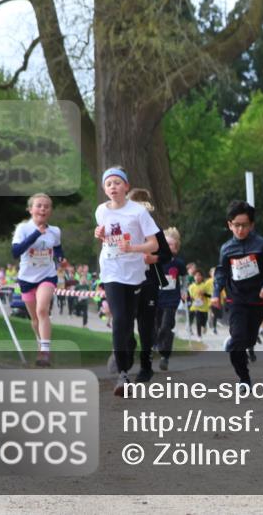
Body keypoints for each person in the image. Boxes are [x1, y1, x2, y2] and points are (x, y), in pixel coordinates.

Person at [94, 167, 161, 396]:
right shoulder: (101, 211)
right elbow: (107, 238)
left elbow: (154, 244)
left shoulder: (138, 212)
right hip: (111, 270)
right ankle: (123, 375)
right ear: (104, 189)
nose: (113, 187)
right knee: (120, 319)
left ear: (126, 186)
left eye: (117, 182)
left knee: (128, 320)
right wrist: (99, 234)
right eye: (108, 184)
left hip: (134, 273)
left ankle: (129, 350)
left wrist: (132, 248)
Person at [214, 200, 263, 388]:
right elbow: (221, 272)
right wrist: (215, 293)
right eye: (236, 225)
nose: (240, 229)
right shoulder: (226, 248)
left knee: (249, 339)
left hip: (257, 301)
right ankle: (244, 379)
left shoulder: (261, 245)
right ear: (230, 225)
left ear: (251, 225)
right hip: (236, 299)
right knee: (238, 340)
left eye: (244, 225)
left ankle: (238, 342)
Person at [12, 193, 69, 367]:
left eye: (46, 206)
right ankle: (40, 343)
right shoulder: (23, 228)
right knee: (35, 319)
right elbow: (15, 252)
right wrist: (36, 233)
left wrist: (61, 258)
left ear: (50, 211)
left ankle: (45, 352)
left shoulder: (55, 231)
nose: (43, 209)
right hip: (26, 278)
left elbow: (57, 248)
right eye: (39, 205)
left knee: (42, 310)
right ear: (30, 209)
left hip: (47, 275)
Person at [127, 187, 173, 383]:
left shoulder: (153, 229)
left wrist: (153, 258)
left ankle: (146, 365)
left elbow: (166, 255)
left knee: (146, 324)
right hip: (126, 280)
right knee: (124, 320)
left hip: (148, 280)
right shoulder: (121, 230)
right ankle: (127, 348)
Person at [156, 227, 185, 371]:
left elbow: (184, 279)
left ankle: (164, 356)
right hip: (157, 299)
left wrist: (184, 291)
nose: (168, 247)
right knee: (157, 326)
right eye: (166, 244)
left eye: (171, 245)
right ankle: (158, 344)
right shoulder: (156, 261)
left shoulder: (178, 263)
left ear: (176, 248)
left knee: (166, 326)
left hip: (171, 300)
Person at [187, 269, 211, 338]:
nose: (197, 277)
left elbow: (210, 295)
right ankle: (199, 335)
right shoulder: (191, 287)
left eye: (199, 275)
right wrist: (188, 298)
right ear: (194, 277)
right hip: (195, 307)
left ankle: (204, 326)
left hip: (204, 308)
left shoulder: (205, 286)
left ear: (202, 277)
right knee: (198, 320)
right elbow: (189, 297)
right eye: (196, 275)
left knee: (203, 322)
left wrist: (204, 294)